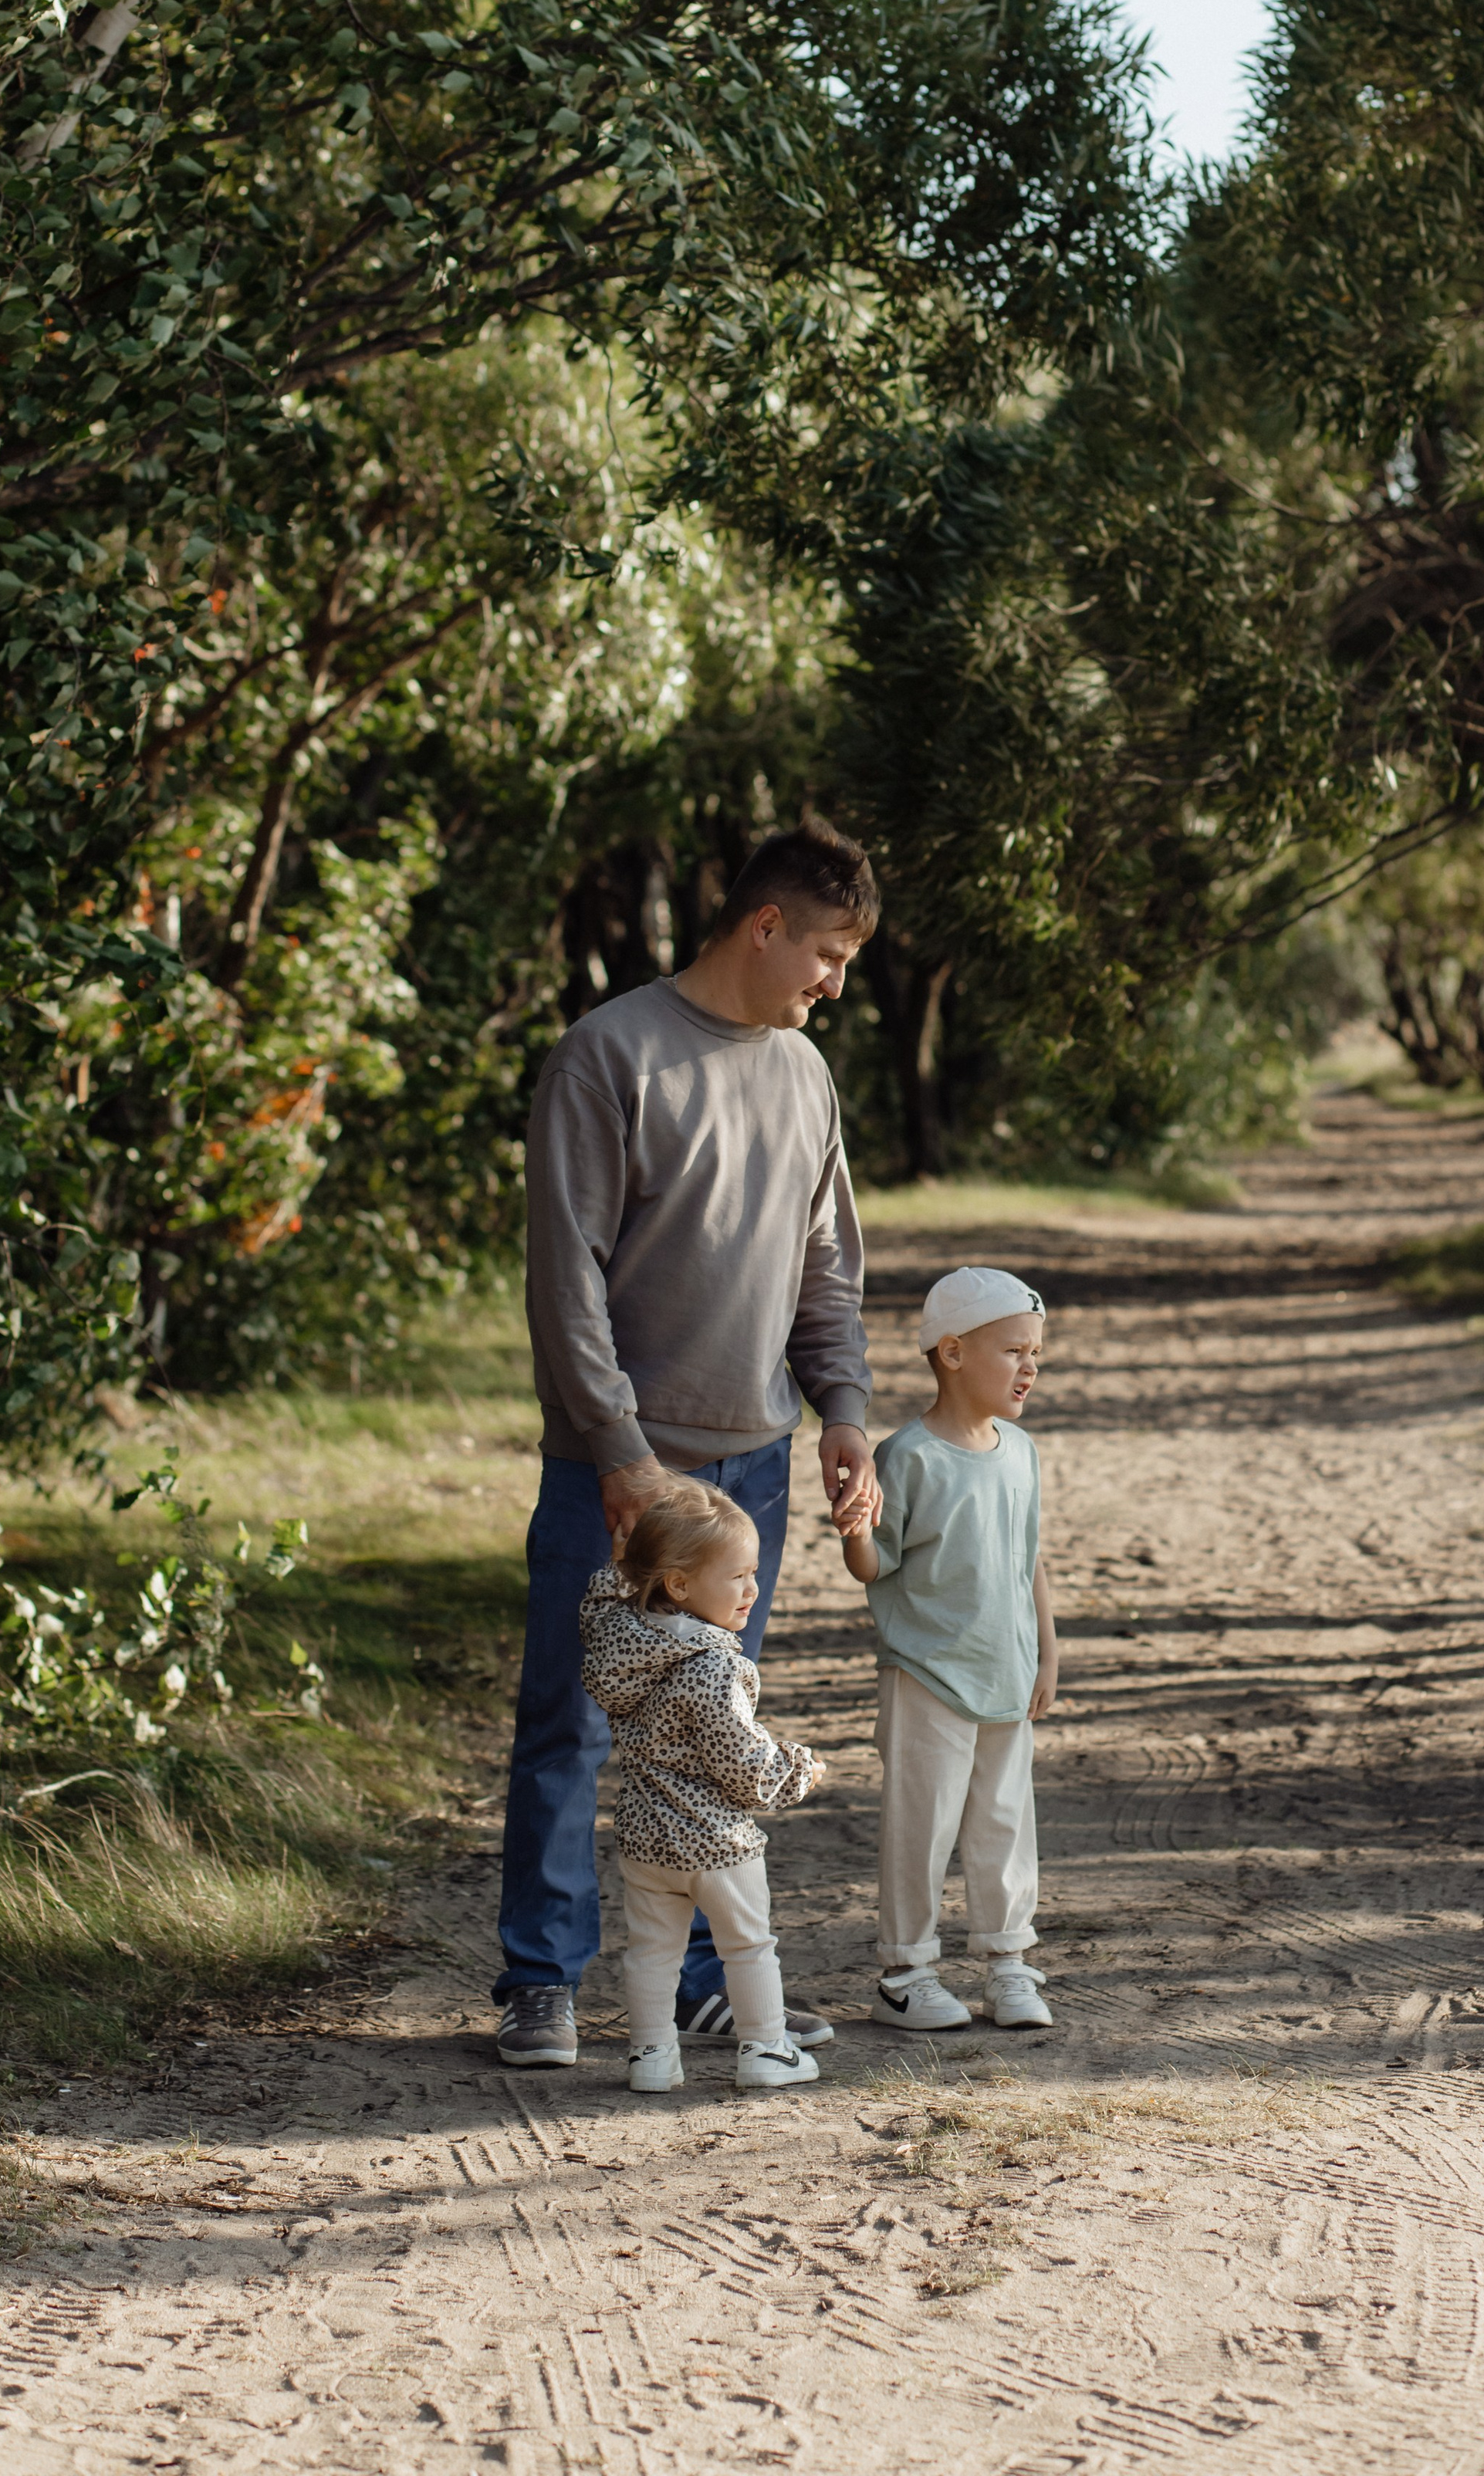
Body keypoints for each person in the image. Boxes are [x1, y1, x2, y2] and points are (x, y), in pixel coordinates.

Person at [493, 820, 881, 2068]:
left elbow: (826, 1272)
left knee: (714, 1738)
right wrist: (616, 1454)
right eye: (826, 952)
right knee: (574, 1726)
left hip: (751, 1467)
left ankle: (707, 1982)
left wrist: (845, 1412)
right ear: (762, 927)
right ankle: (541, 1983)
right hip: (621, 1473)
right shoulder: (612, 1056)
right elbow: (569, 1282)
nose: (836, 982)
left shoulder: (806, 1077)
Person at [837, 1264, 1058, 2033]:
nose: (1028, 1367)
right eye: (1013, 1351)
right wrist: (855, 1531)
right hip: (927, 1674)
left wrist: (1047, 1649)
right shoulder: (909, 1458)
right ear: (954, 1353)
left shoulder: (1021, 1451)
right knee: (920, 1826)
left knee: (1005, 1823)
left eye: (1036, 1354)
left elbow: (1028, 1556)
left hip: (1006, 1670)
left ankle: (1008, 1965)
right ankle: (908, 1973)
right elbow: (874, 1567)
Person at [580, 1477, 823, 2092]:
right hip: (715, 1843)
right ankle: (768, 2050)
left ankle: (651, 2058)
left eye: (754, 1572)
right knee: (748, 1946)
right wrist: (799, 1769)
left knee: (652, 1952)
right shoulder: (714, 1666)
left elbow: (603, 1602)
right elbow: (743, 1767)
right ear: (679, 1584)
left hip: (644, 1839)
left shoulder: (617, 1636)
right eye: (737, 1577)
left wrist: (621, 1566)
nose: (752, 1590)